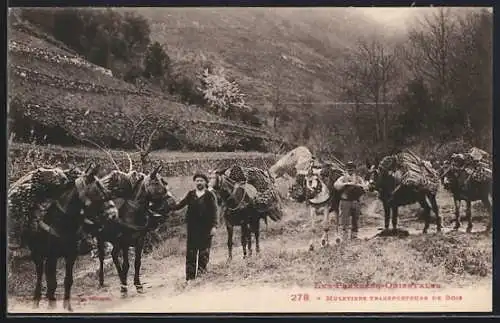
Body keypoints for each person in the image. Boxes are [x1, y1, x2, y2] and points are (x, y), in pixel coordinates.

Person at [171, 172, 218, 284]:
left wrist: (214, 226)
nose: (199, 182)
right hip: (192, 228)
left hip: (206, 229)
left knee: (203, 253)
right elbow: (179, 205)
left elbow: (215, 212)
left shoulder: (210, 195)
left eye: (201, 180)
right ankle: (190, 278)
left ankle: (201, 276)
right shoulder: (191, 194)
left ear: (205, 182)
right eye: (197, 180)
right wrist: (170, 203)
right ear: (194, 182)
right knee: (191, 253)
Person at [333, 161, 367, 241]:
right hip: (345, 201)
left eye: (352, 169)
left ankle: (354, 236)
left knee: (356, 219)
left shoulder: (358, 178)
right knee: (344, 220)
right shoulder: (342, 178)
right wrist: (346, 184)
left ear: (355, 169)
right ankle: (344, 237)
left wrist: (358, 185)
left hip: (356, 201)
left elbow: (365, 187)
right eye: (349, 168)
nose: (350, 170)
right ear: (346, 169)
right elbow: (336, 185)